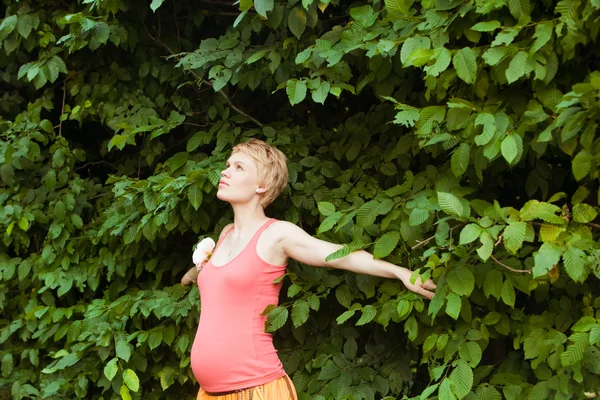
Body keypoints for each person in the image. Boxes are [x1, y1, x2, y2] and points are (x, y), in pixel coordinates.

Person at [180, 139, 436, 400]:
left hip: (255, 389)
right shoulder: (226, 235)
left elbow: (338, 256)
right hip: (211, 393)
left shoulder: (276, 235)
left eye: (239, 167)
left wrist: (400, 272)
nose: (225, 171)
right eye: (227, 165)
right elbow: (226, 278)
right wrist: (194, 272)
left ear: (262, 186)